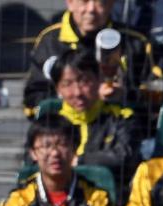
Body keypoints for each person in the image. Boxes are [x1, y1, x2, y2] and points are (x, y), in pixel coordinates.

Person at [24, 0, 162, 114]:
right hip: (65, 135)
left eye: (100, 2)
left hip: (119, 134)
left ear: (111, 4)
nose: (91, 9)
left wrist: (124, 95)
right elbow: (32, 101)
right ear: (70, 2)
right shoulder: (49, 41)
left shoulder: (135, 42)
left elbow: (159, 97)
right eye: (84, 1)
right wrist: (71, 96)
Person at [0, 115, 116, 206]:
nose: (55, 153)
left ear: (75, 148)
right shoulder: (18, 201)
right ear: (33, 153)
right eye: (46, 146)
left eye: (62, 144)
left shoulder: (97, 199)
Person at [47, 49, 140, 193]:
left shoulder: (121, 118)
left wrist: (80, 161)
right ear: (58, 89)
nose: (77, 92)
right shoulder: (49, 124)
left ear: (99, 80)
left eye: (85, 81)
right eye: (67, 84)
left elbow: (125, 156)